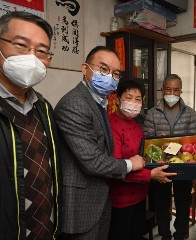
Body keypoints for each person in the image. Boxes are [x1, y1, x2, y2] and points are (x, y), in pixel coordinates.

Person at [54, 46, 144, 240]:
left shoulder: (99, 103)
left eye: (115, 73)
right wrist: (131, 164)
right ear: (85, 69)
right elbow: (92, 161)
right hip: (81, 205)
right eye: (103, 69)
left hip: (101, 198)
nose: (110, 77)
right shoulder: (75, 104)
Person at [0, 11, 62, 239]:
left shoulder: (44, 108)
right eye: (20, 45)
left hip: (45, 230)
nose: (32, 57)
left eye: (42, 52)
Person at [107, 80, 176, 240]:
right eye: (129, 97)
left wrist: (157, 143)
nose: (133, 103)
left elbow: (142, 151)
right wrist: (150, 175)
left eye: (138, 99)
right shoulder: (111, 125)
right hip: (120, 199)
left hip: (139, 195)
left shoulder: (136, 124)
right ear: (118, 100)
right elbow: (115, 167)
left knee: (137, 233)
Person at [143, 74, 196, 240]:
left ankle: (180, 234)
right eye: (168, 89)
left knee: (182, 204)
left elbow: (193, 143)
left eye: (176, 90)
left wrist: (165, 142)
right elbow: (147, 139)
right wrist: (157, 141)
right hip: (160, 167)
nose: (172, 93)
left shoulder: (190, 113)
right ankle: (164, 234)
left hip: (184, 167)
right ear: (162, 90)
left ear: (181, 91)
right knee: (161, 203)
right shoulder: (152, 113)